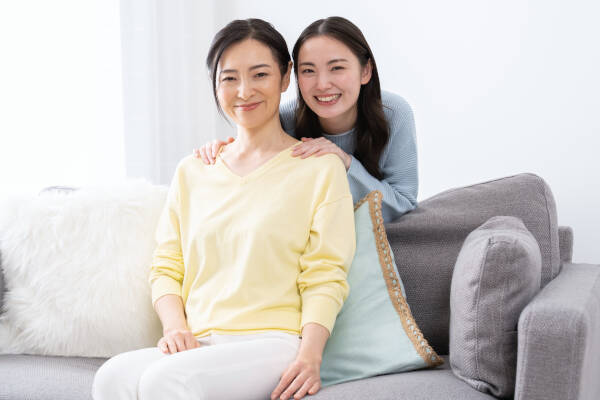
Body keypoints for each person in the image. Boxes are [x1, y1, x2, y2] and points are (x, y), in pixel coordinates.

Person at [92, 18, 356, 400]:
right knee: (112, 377)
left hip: (272, 342)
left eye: (259, 74)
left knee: (163, 381)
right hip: (199, 342)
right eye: (229, 78)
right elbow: (167, 265)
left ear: (286, 78)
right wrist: (174, 328)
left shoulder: (318, 168)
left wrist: (310, 355)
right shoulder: (194, 169)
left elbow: (326, 274)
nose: (243, 91)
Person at [195, 16, 418, 223]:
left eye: (337, 68)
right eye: (308, 70)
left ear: (365, 71)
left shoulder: (394, 114)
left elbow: (404, 204)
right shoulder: (285, 121)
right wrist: (223, 152)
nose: (322, 84)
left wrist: (345, 163)